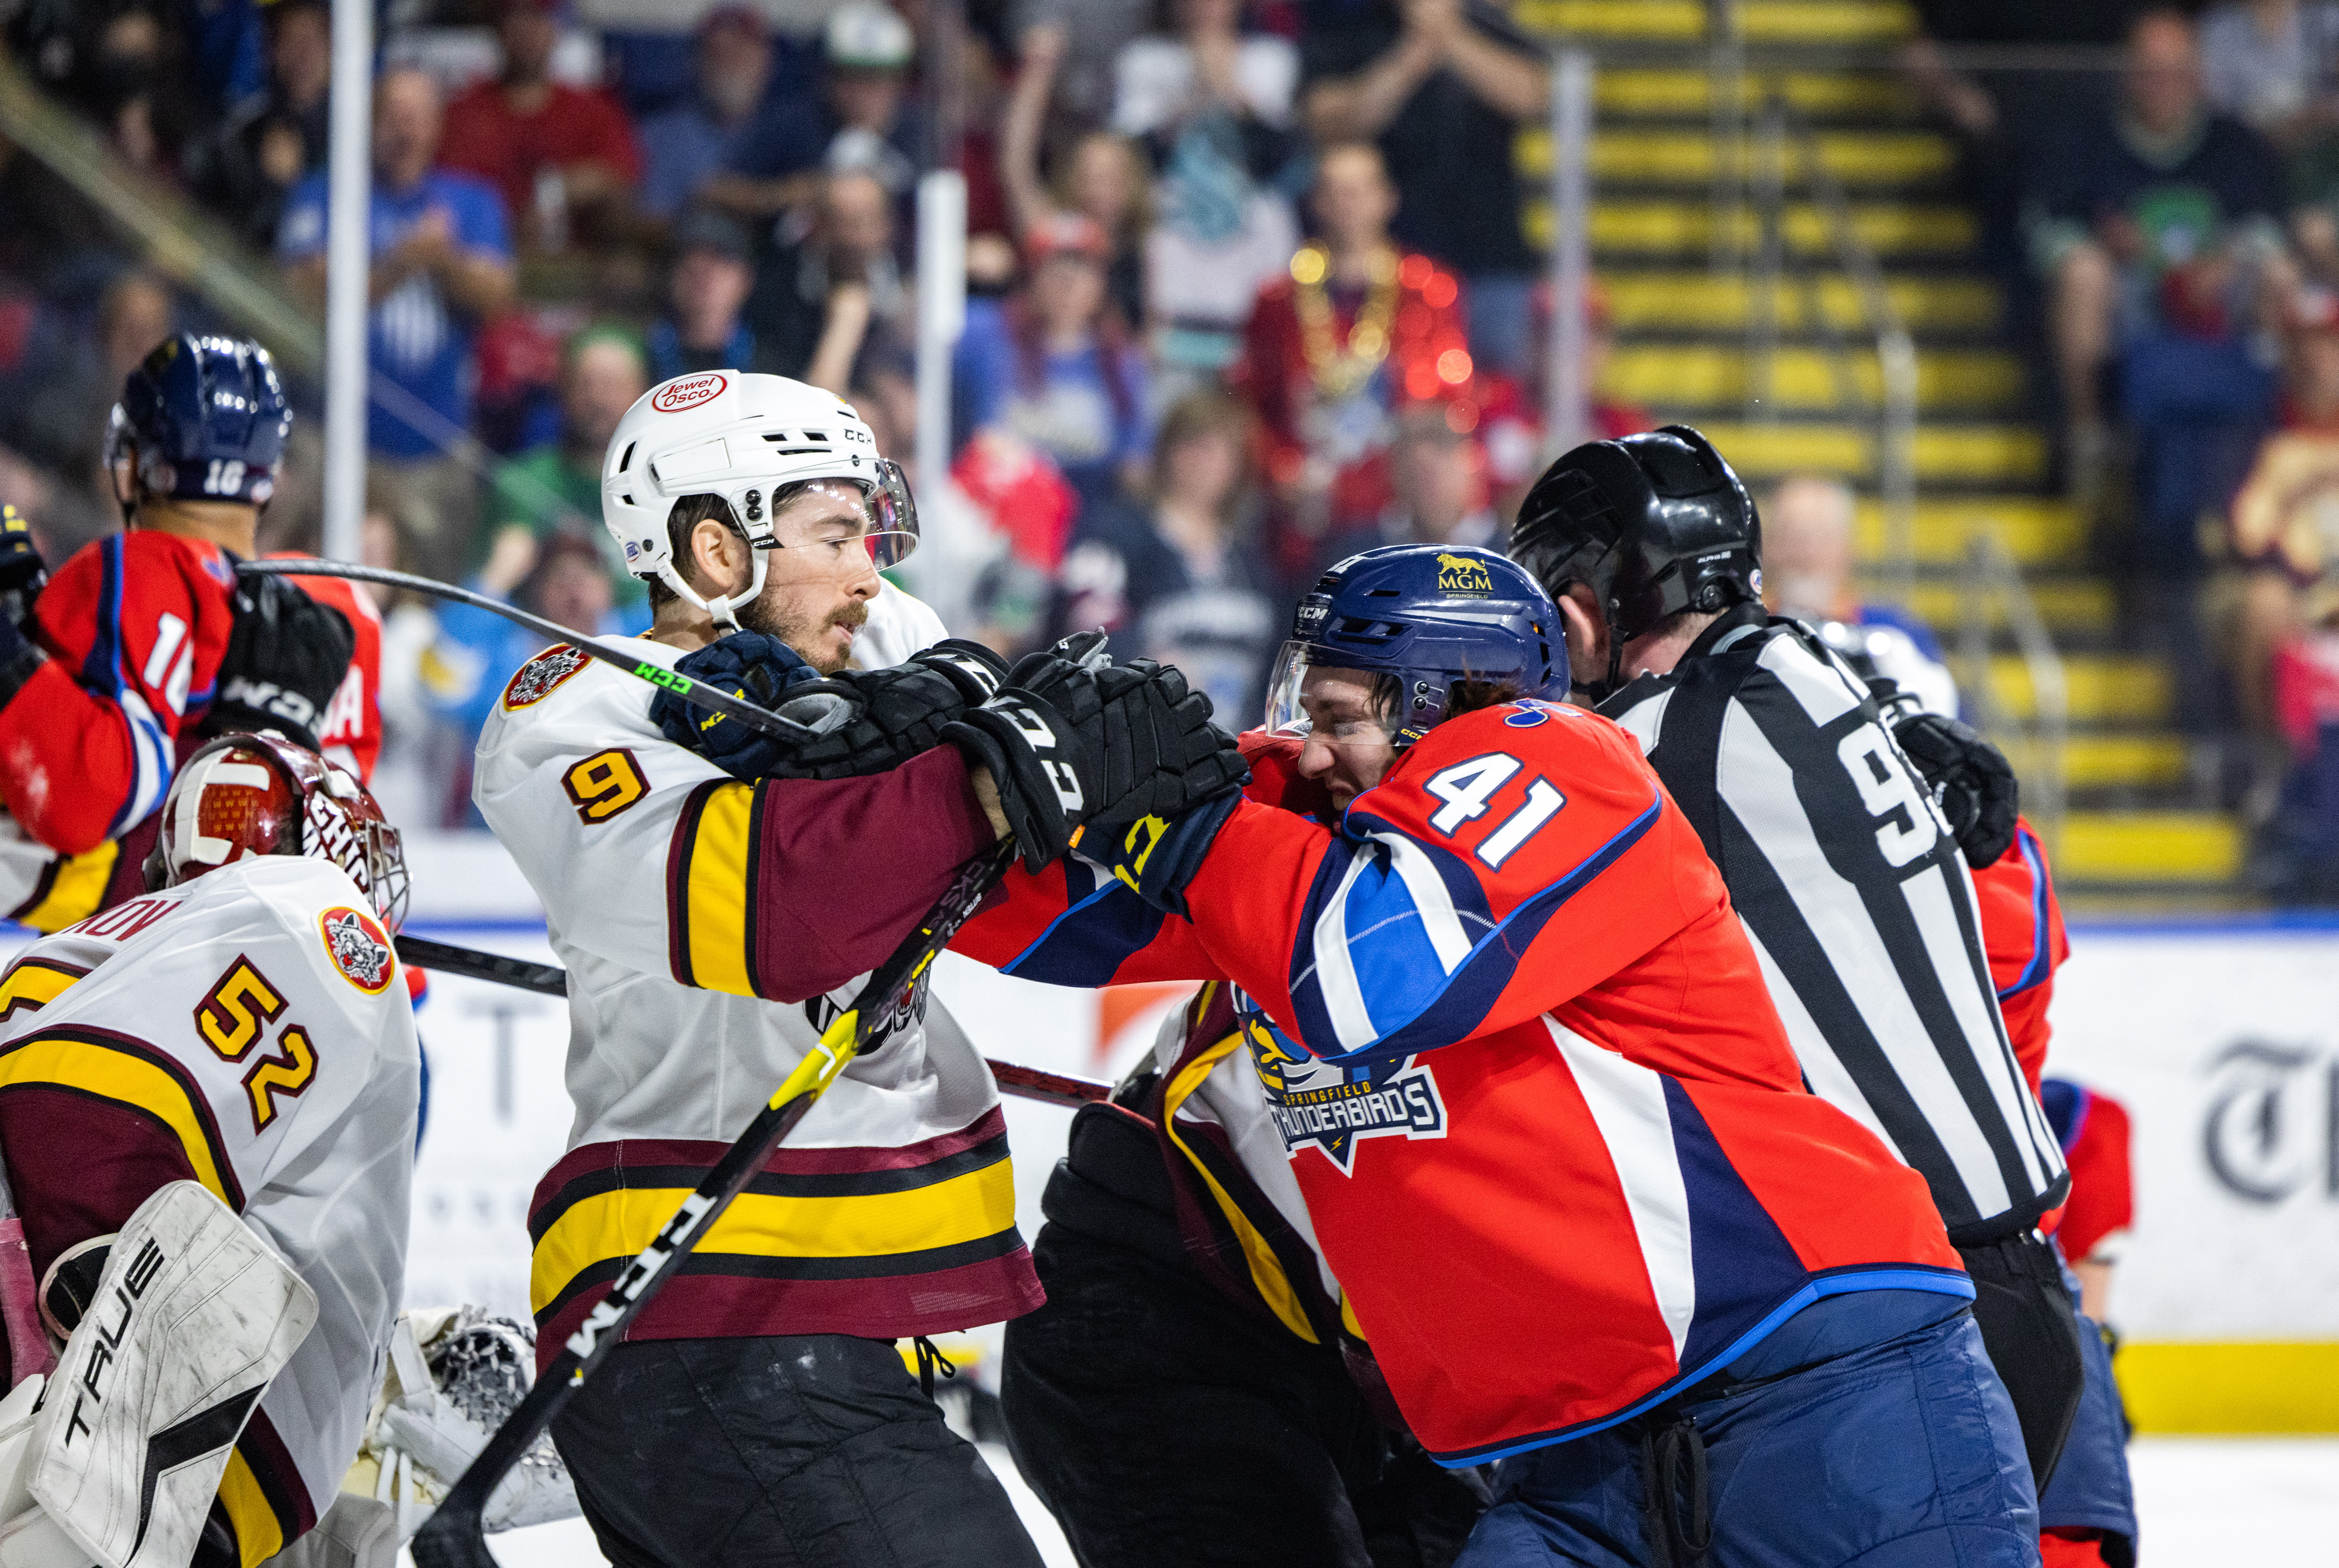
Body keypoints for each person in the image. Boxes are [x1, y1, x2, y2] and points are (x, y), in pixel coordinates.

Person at [952, 542, 2036, 1567]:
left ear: (1448, 703)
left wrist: (1173, 824)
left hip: (1816, 1385)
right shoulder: (1318, 821)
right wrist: (979, 771)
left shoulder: (1560, 760)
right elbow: (1015, 914)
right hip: (1571, 1457)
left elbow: (1367, 973)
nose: (1307, 742)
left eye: (1334, 714)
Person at [471, 369, 1237, 1568]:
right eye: (833, 534)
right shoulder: (575, 708)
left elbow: (1034, 909)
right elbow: (785, 918)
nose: (867, 571)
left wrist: (1277, 909)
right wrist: (980, 774)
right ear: (714, 549)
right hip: (699, 1307)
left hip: (819, 1321)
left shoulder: (877, 643)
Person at [1512, 425, 2087, 1494]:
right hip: (2014, 1289)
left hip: (1901, 1324)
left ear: (1594, 597)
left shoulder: (1646, 750)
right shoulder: (1824, 675)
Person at [0, 730, 419, 1568]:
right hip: (92, 1465)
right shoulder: (310, 910)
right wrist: (114, 1355)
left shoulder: (100, 945)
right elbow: (88, 1101)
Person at [0, 335, 355, 932]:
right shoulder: (330, 613)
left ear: (137, 461)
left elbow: (93, 798)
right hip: (257, 944)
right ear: (269, 478)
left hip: (117, 950)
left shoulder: (137, 568)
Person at [279, 67, 515, 584]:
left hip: (431, 446)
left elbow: (497, 295)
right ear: (368, 120)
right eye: (391, 114)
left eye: (416, 116)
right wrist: (401, 262)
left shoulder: (472, 202)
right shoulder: (327, 193)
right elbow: (301, 296)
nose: (403, 128)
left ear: (436, 126)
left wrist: (444, 260)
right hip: (332, 434)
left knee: (432, 588)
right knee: (300, 557)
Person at [2024, 8, 2286, 467]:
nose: (2164, 84)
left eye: (2177, 70)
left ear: (2198, 75)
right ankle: (2090, 442)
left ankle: (2275, 430)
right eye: (2151, 70)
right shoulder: (2084, 143)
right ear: (2127, 74)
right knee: (2082, 274)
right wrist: (2103, 247)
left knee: (2278, 275)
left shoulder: (2236, 144)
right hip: (2127, 295)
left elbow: (2269, 226)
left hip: (2219, 299)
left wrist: (2226, 259)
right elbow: (2045, 227)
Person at [1239, 141, 1471, 586]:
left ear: (1388, 198)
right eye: (1335, 191)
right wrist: (1282, 473)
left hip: (1397, 514)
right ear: (1316, 202)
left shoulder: (1429, 290)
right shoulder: (1276, 300)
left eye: (1360, 189)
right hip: (1305, 518)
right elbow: (1255, 409)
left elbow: (1447, 410)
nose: (1348, 204)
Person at [1299, 0, 1548, 379]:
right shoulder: (1355, 26)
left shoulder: (1490, 23)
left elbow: (1530, 95)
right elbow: (1330, 120)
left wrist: (1447, 36)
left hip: (1491, 255)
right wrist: (1412, 55)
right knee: (1395, 392)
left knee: (1501, 398)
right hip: (1390, 259)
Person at [1052, 389, 1279, 720]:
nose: (1206, 463)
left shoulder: (1250, 559)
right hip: (1140, 733)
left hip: (1234, 745)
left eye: (1222, 453)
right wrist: (1149, 663)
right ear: (1168, 452)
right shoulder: (1115, 535)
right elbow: (1087, 627)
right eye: (1195, 448)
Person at [956, 212, 1153, 512]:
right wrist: (953, 263)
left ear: (1101, 286)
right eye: (1054, 270)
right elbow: (910, 342)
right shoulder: (987, 332)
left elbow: (1134, 466)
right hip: (993, 510)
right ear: (1031, 279)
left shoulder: (1122, 362)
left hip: (1086, 519)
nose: (1068, 284)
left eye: (1083, 271)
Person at [479, 324, 653, 626]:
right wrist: (494, 582)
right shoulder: (521, 482)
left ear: (642, 391)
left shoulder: (668, 485)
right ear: (564, 390)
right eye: (585, 383)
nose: (597, 398)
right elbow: (478, 623)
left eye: (612, 383)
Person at [438, 0, 642, 255]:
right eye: (517, 22)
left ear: (554, 30)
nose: (528, 34)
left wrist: (558, 190)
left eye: (537, 21)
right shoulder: (463, 113)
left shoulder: (591, 110)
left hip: (573, 262)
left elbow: (622, 175)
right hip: (480, 259)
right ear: (499, 31)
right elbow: (442, 191)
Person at [1762, 471, 1961, 716]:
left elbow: (1949, 727)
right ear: (1766, 546)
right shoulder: (1744, 629)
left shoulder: (1896, 633)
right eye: (1789, 535)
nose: (1804, 553)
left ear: (1847, 547)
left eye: (1819, 536)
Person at [703, 2, 924, 223]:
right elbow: (714, 190)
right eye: (851, 76)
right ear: (828, 78)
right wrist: (798, 193)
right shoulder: (794, 125)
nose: (864, 91)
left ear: (901, 81)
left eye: (878, 77)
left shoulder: (923, 135)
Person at [1003, 25, 1155, 333]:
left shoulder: (1143, 247)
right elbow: (1015, 166)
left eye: (1110, 176)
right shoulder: (1054, 228)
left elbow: (1149, 333)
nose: (1099, 187)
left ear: (1131, 184)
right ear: (1071, 181)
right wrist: (1037, 74)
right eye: (1088, 175)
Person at [185, 0, 331, 253]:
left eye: (317, 41)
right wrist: (271, 188)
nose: (305, 55)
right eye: (293, 40)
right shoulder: (241, 131)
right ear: (271, 51)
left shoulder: (352, 141)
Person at [744, 169, 907, 394]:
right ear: (819, 227)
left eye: (866, 221)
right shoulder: (778, 287)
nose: (854, 238)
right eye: (842, 222)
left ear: (887, 226)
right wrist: (845, 323)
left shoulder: (910, 281)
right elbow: (784, 389)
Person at [635, 5, 777, 224]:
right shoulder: (661, 136)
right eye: (717, 53)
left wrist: (758, 200)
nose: (729, 65)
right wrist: (697, 205)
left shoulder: (794, 132)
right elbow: (650, 221)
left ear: (766, 60)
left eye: (741, 53)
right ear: (695, 62)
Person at [649, 208, 759, 383]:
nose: (701, 270)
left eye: (719, 259)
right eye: (688, 258)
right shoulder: (642, 359)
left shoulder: (775, 361)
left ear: (746, 279)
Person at [1379, 403, 1499, 549]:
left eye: (1437, 475)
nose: (1430, 494)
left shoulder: (1514, 556)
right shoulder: (1364, 557)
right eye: (1419, 479)